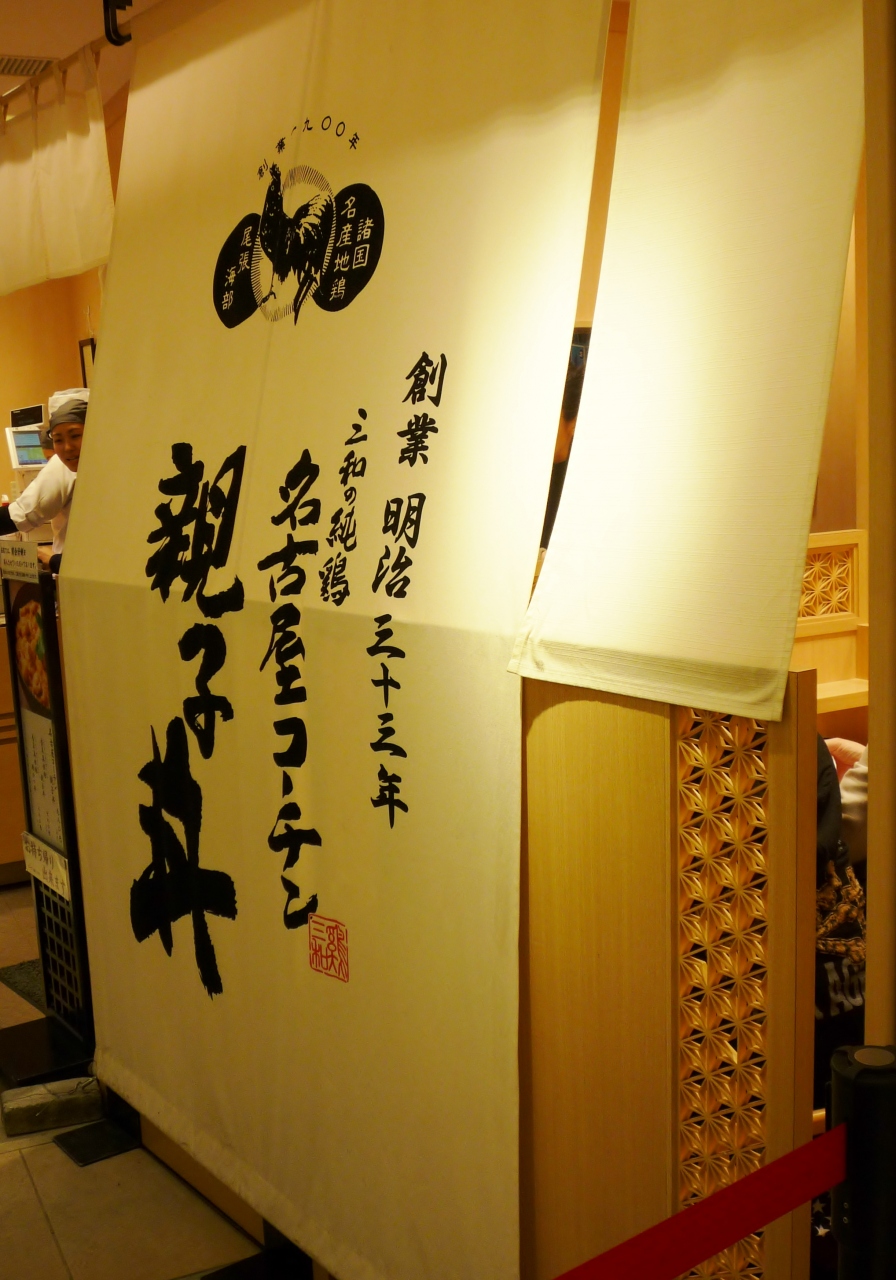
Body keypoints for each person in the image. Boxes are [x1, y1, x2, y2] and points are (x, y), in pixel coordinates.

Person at [0, 388, 88, 572]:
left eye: (75, 435)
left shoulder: (63, 467)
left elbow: (21, 515)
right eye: (58, 439)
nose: (68, 447)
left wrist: (54, 560)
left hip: (78, 570)